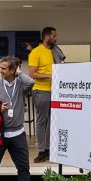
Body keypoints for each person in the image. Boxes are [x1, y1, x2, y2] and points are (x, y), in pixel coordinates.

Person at [28, 26, 61, 163]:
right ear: (46, 36)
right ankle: (41, 151)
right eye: (54, 36)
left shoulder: (54, 51)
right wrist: (51, 75)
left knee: (52, 121)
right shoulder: (36, 52)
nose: (56, 38)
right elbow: (32, 74)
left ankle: (48, 149)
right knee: (42, 120)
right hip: (41, 91)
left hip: (55, 91)